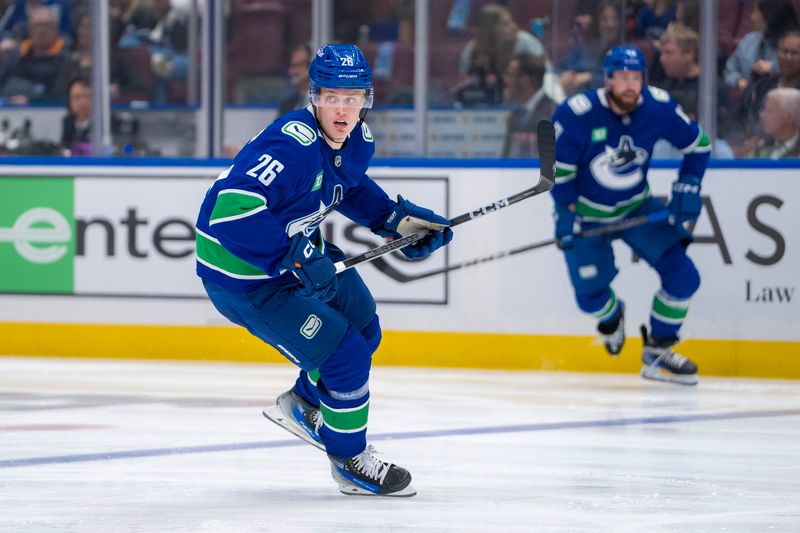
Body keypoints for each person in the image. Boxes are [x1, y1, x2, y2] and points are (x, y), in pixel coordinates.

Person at [195, 43, 453, 497]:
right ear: (313, 96)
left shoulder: (358, 141)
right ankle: (349, 459)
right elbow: (230, 212)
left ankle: (304, 403)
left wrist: (395, 221)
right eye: (332, 96)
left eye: (352, 98)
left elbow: (347, 186)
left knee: (364, 325)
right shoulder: (291, 143)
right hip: (246, 278)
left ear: (366, 100)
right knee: (345, 355)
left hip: (297, 253)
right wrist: (289, 258)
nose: (342, 108)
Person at [550, 45, 710, 386]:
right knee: (590, 298)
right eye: (622, 77)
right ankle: (612, 318)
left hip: (636, 206)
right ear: (607, 79)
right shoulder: (576, 114)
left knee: (684, 277)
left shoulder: (659, 107)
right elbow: (557, 173)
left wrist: (688, 185)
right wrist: (565, 216)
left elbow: (699, 145)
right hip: (586, 216)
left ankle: (658, 350)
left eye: (636, 77)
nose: (629, 85)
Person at [723, 0, 799, 92]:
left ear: (769, 15)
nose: (752, 17)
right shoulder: (749, 39)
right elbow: (729, 70)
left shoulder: (794, 43)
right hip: (748, 97)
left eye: (756, 12)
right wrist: (739, 80)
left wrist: (774, 68)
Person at [558, 0, 622, 96]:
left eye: (614, 19)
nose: (610, 24)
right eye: (604, 19)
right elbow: (560, 67)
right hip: (571, 96)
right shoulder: (582, 46)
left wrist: (589, 77)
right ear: (597, 22)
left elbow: (620, 79)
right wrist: (565, 74)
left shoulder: (624, 50)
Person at [502, 53, 557, 157]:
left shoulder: (553, 113)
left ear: (525, 80)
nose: (506, 81)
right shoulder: (515, 116)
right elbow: (506, 160)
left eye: (510, 75)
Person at [748, 87, 800, 158]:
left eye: (769, 111)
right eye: (764, 110)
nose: (762, 115)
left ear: (789, 118)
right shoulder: (759, 148)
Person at [277, 43, 311, 116]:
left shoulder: (324, 103)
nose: (291, 72)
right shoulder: (287, 104)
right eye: (291, 66)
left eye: (297, 65)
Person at [59, 76, 91, 155]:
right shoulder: (68, 122)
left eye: (87, 96)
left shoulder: (107, 123)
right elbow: (64, 148)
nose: (82, 102)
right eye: (77, 97)